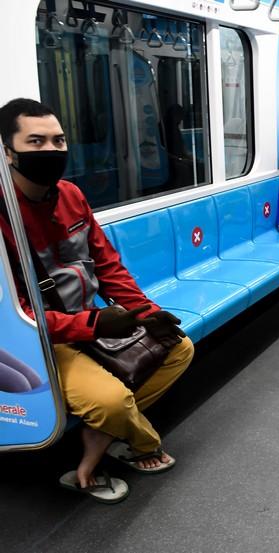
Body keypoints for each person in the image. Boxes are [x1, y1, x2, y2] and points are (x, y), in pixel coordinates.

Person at [0, 98, 194, 503]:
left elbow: (107, 267)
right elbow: (14, 316)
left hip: (91, 320)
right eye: (35, 141)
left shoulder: (70, 194)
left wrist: (147, 314)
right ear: (7, 152)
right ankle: (136, 442)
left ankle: (102, 432)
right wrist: (94, 325)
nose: (50, 151)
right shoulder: (4, 217)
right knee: (110, 400)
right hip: (40, 340)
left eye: (58, 140)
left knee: (179, 348)